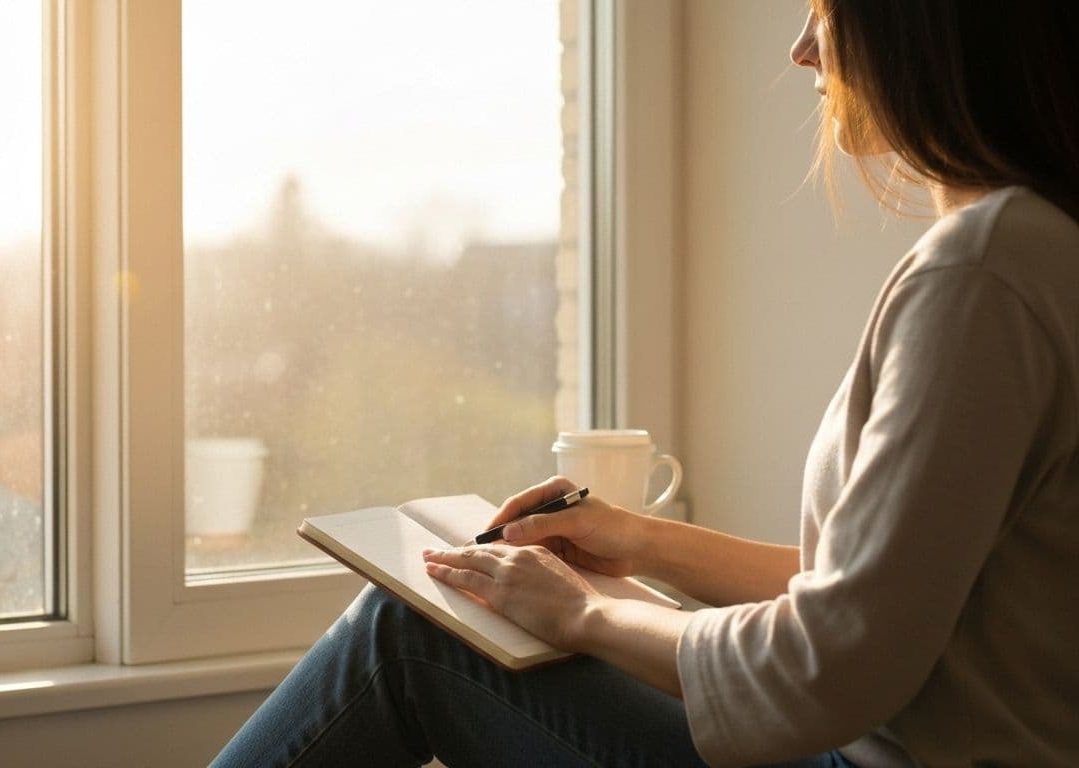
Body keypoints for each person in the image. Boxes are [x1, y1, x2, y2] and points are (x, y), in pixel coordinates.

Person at [212, 1, 1079, 766]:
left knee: (406, 634)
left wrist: (582, 615)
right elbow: (875, 598)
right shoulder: (1030, 250)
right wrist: (644, 543)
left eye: (827, 11)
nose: (803, 49)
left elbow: (830, 664)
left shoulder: (983, 273)